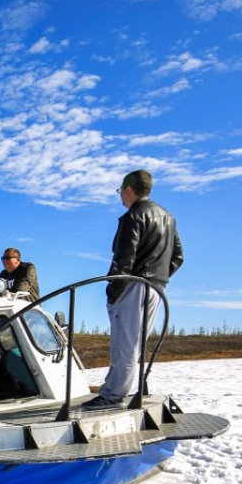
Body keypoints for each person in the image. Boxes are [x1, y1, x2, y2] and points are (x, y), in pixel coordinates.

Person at [84, 169, 183, 409]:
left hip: (134, 284)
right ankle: (121, 388)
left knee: (125, 343)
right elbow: (178, 256)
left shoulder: (132, 217)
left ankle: (113, 395)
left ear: (129, 190)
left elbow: (124, 259)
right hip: (157, 287)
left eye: (120, 191)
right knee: (137, 341)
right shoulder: (168, 217)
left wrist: (114, 291)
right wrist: (159, 278)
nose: (120, 197)